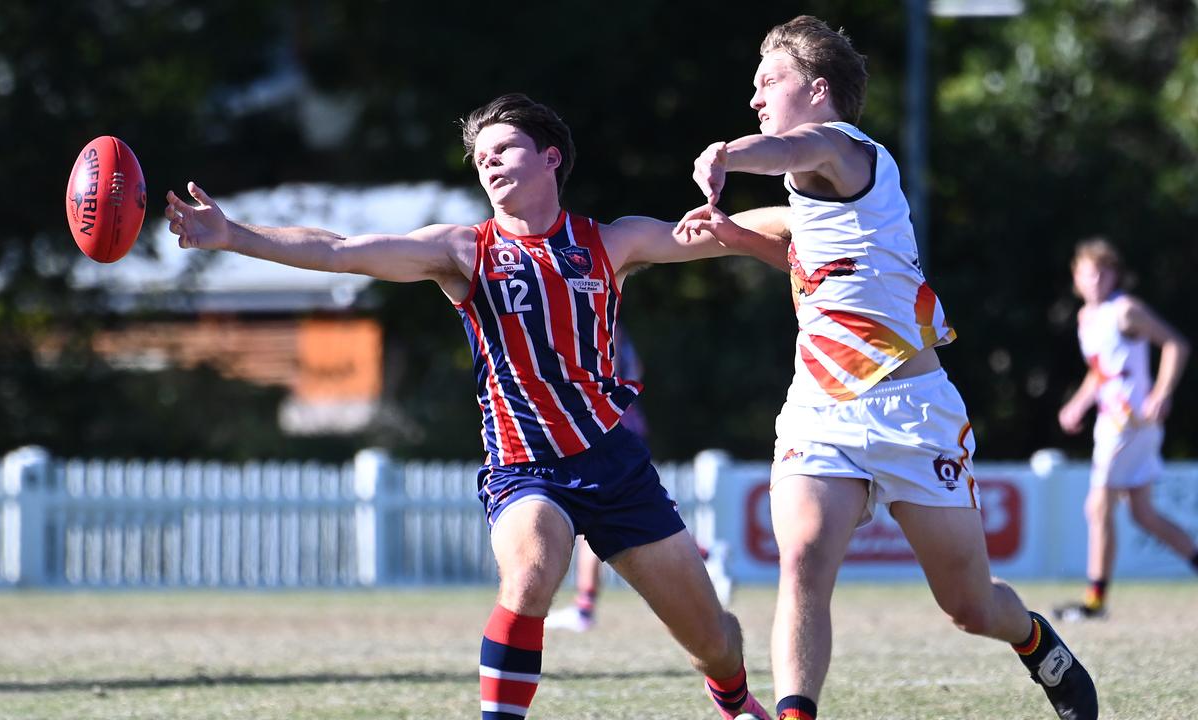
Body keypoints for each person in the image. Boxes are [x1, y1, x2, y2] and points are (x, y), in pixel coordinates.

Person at [165, 93, 788, 720]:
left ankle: (734, 702)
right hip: (524, 468)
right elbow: (339, 249)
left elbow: (717, 235)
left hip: (615, 465)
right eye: (480, 157)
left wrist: (820, 219)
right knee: (530, 576)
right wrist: (233, 236)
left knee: (714, 642)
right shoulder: (464, 250)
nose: (488, 164)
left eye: (503, 150)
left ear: (550, 158)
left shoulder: (611, 242)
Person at [674, 16, 1098, 720]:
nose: (754, 97)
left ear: (816, 90)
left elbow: (785, 146)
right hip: (820, 407)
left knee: (968, 605)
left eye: (767, 81)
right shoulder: (810, 191)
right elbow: (812, 266)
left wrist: (725, 152)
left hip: (912, 412)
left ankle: (1036, 643)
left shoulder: (841, 146)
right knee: (803, 561)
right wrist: (738, 237)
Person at [545, 329, 735, 634]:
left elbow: (602, 369)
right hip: (620, 422)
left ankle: (708, 556)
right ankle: (709, 556)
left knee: (604, 513)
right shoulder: (610, 320)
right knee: (604, 514)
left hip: (607, 426)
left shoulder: (597, 321)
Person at [1055, 237, 1197, 621]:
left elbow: (1175, 345)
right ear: (1077, 278)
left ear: (1115, 275)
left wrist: (1162, 393)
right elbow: (1100, 371)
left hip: (1130, 422)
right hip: (1112, 421)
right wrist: (1078, 403)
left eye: (1104, 272)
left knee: (1097, 505)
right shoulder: (1086, 318)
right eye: (1089, 272)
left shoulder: (1126, 310)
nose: (1097, 279)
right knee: (1142, 513)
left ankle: (1095, 603)